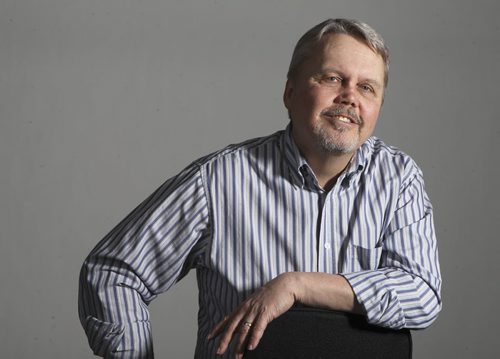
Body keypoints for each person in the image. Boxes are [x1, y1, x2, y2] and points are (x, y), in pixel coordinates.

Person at [79, 18, 442, 358]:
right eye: (332, 78)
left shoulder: (398, 178)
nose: (350, 97)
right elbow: (113, 273)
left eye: (366, 87)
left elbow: (422, 294)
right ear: (290, 92)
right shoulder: (218, 180)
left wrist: (297, 285)